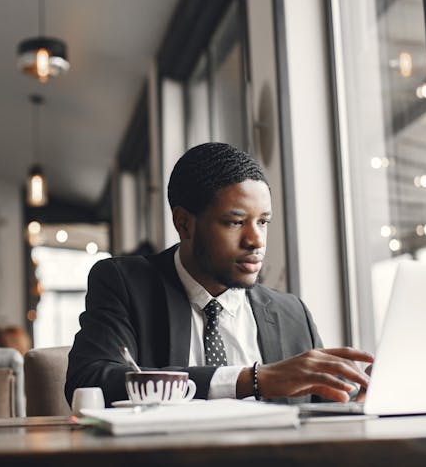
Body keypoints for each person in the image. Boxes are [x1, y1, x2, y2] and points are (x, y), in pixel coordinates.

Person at [65, 142, 373, 406]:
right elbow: (89, 381)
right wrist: (251, 380)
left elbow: (323, 412)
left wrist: (357, 394)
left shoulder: (292, 313)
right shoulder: (126, 284)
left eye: (263, 222)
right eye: (235, 222)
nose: (256, 240)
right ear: (183, 223)